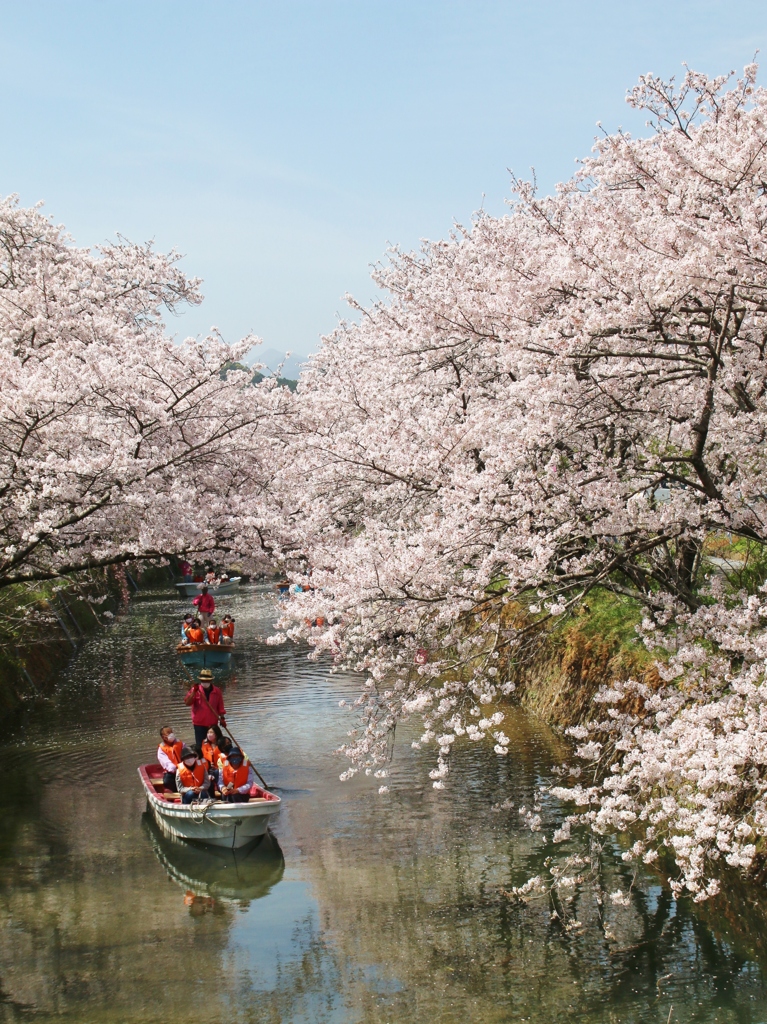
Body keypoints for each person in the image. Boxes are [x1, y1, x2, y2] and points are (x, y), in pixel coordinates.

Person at [184, 669, 226, 748]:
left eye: (207, 681)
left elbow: (220, 706)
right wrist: (194, 692)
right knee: (201, 745)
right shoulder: (195, 690)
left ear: (211, 681)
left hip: (212, 723)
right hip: (199, 723)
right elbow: (187, 703)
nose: (205, 682)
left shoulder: (217, 691)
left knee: (214, 744)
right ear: (200, 680)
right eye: (203, 681)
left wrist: (222, 718)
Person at [157, 726, 183, 791]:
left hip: (184, 769)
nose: (171, 734)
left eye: (171, 732)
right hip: (172, 772)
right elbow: (166, 763)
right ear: (163, 737)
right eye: (168, 733)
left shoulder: (180, 743)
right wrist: (175, 769)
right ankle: (174, 791)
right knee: (167, 781)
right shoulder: (161, 749)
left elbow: (187, 754)